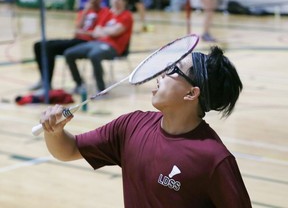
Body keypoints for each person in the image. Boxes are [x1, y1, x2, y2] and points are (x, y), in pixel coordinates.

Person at [39, 44, 252, 207]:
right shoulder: (132, 125)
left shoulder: (213, 159)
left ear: (191, 93)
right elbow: (69, 150)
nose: (162, 74)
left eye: (173, 70)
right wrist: (54, 132)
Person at [30, 0, 109, 91]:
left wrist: (83, 32)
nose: (93, 0)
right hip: (76, 39)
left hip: (87, 43)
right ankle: (43, 79)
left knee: (49, 48)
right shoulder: (85, 11)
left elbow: (96, 33)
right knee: (38, 45)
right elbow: (77, 28)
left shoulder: (104, 12)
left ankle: (47, 84)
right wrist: (85, 11)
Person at [64, 0, 133, 93]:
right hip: (96, 43)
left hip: (114, 47)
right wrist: (105, 31)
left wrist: (103, 31)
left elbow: (115, 31)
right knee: (69, 53)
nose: (116, 1)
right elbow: (96, 32)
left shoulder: (126, 16)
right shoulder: (108, 13)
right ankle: (79, 84)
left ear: (125, 2)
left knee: (94, 55)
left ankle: (101, 90)